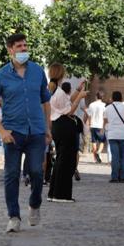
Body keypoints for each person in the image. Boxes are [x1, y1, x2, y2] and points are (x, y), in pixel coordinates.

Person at [0, 33, 52, 233]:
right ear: (10, 50)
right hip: (13, 133)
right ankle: (14, 216)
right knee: (11, 174)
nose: (24, 49)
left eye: (25, 45)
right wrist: (1, 130)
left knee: (37, 172)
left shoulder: (38, 71)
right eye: (19, 46)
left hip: (36, 132)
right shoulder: (1, 76)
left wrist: (48, 128)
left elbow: (45, 101)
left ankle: (34, 204)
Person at [47, 63, 87, 203]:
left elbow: (66, 102)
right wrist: (80, 96)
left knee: (60, 160)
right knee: (66, 162)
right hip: (64, 127)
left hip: (58, 127)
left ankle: (53, 193)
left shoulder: (54, 91)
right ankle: (62, 194)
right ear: (61, 74)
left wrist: (77, 90)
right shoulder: (58, 92)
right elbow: (70, 110)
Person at [103, 91, 124, 183]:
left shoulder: (107, 108)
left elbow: (105, 121)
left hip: (112, 134)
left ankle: (114, 177)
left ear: (112, 98)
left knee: (115, 156)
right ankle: (123, 177)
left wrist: (105, 129)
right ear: (121, 98)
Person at [61, 82, 82, 181]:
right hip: (73, 126)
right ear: (69, 90)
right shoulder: (73, 99)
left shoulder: (61, 99)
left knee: (63, 148)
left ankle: (65, 167)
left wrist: (78, 89)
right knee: (75, 150)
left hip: (63, 127)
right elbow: (73, 110)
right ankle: (74, 167)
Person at [87, 91, 106, 163]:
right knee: (102, 141)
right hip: (100, 125)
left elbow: (89, 116)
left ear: (96, 96)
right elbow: (105, 117)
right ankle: (99, 151)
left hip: (93, 125)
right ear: (102, 97)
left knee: (94, 141)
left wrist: (89, 124)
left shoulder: (91, 105)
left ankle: (95, 159)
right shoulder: (104, 105)